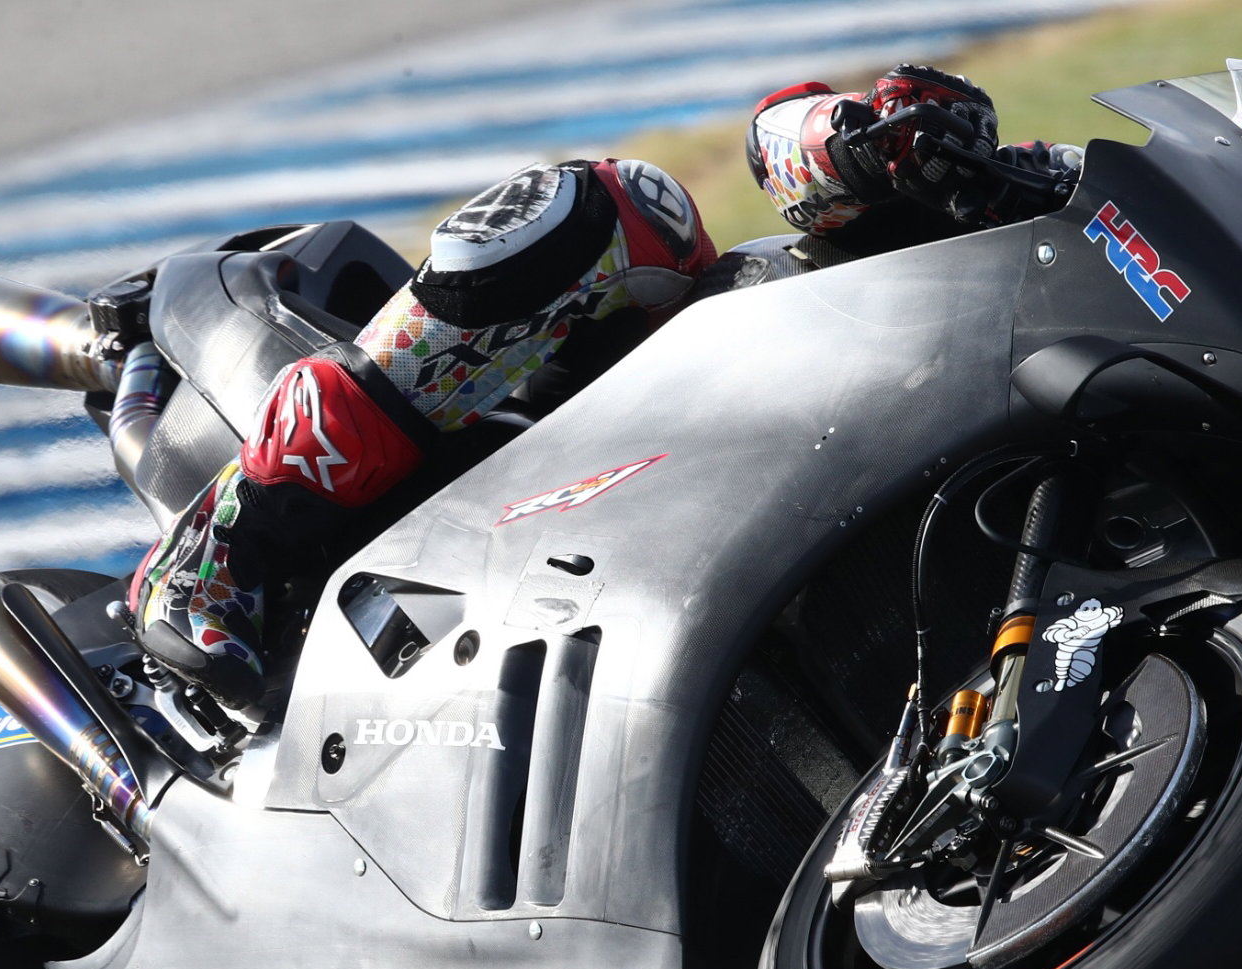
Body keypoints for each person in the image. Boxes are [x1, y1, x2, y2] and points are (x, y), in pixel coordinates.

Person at [129, 64, 1079, 709]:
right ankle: (230, 545)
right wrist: (871, 141)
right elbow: (779, 139)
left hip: (889, 539)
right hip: (724, 398)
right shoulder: (1091, 194)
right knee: (632, 209)